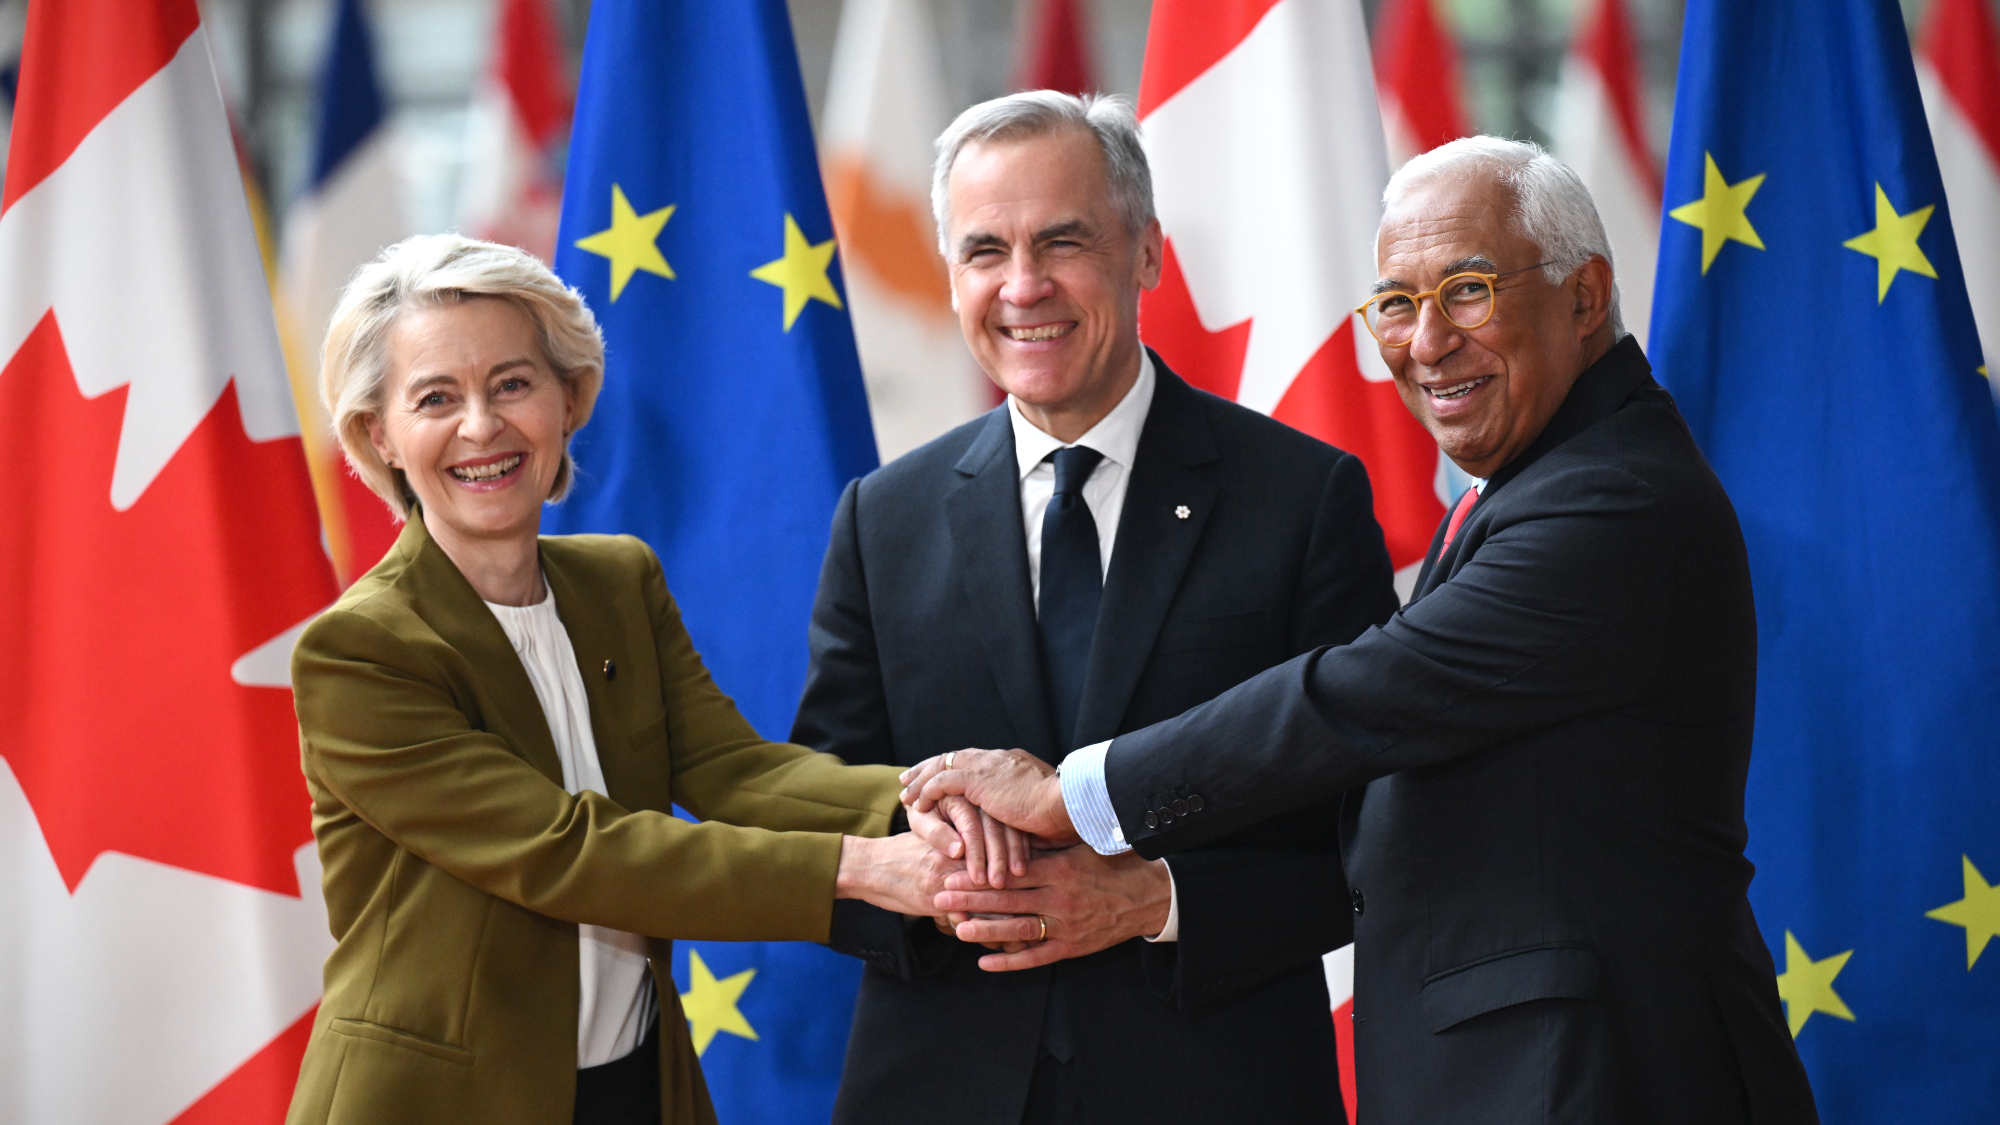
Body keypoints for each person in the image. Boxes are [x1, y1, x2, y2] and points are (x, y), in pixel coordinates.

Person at [908, 137, 1822, 1125]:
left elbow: (1363, 698)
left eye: (1465, 289)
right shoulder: (1532, 479)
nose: (1425, 342)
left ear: (1584, 295)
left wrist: (1071, 793)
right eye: (1393, 303)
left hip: (1601, 1077)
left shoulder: (1611, 501)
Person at [799, 92, 1399, 1125]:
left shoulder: (1301, 499)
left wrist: (1148, 900)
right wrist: (931, 876)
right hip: (940, 1085)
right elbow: (824, 812)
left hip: (1216, 1083)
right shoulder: (880, 516)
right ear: (950, 276)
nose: (1021, 286)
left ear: (1147, 254)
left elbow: (1372, 837)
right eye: (984, 249)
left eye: (1062, 240)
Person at [284, 234, 953, 1125]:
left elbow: (737, 771)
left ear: (571, 398)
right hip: (441, 1101)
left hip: (640, 1083)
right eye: (436, 397)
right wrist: (865, 867)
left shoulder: (617, 580)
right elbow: (570, 850)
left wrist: (934, 806)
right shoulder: (359, 651)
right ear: (382, 436)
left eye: (513, 383)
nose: (481, 426)